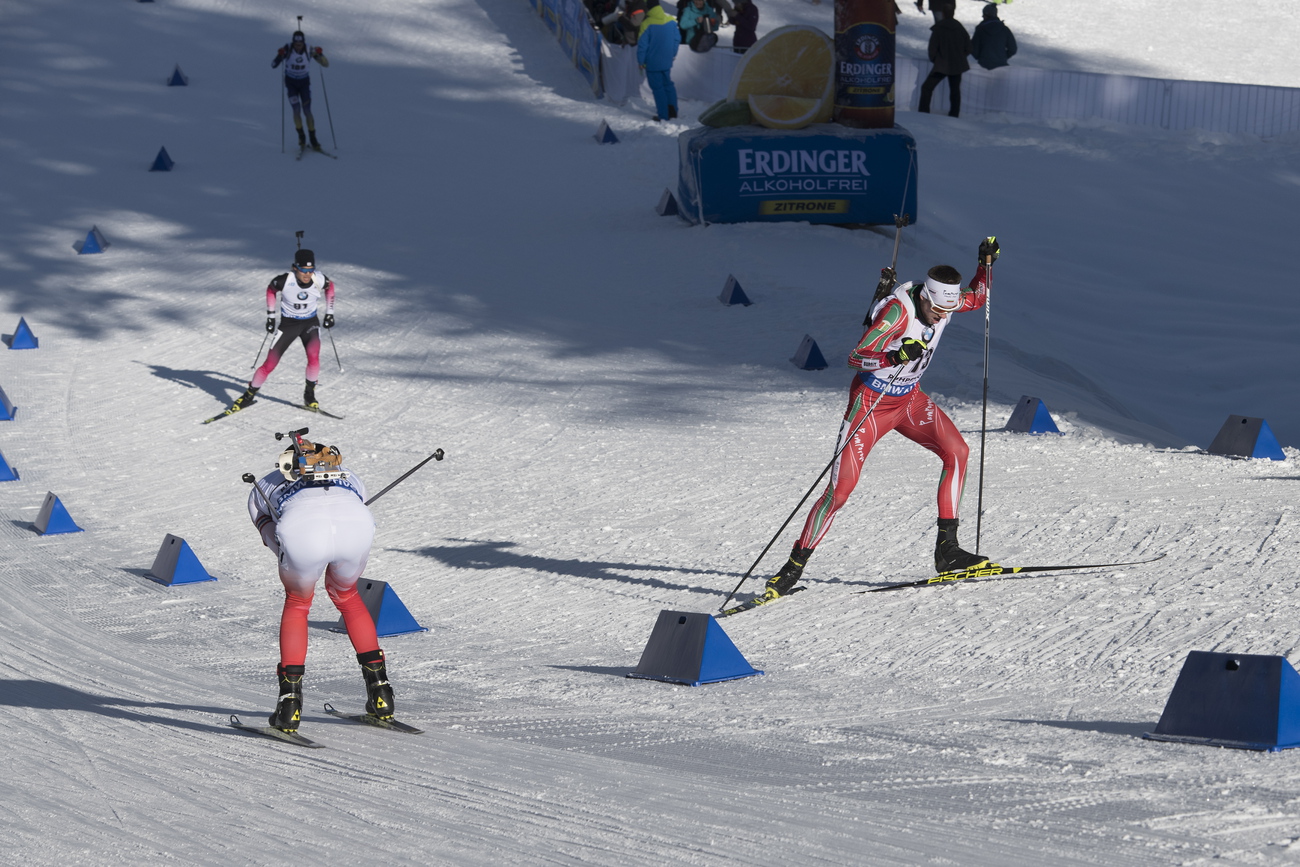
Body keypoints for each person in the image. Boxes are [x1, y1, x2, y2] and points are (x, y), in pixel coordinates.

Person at [758, 238, 1001, 603]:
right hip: (871, 404)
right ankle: (792, 568)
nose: (941, 316)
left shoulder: (944, 303)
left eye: (946, 311)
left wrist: (985, 265)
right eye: (936, 310)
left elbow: (977, 298)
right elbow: (856, 357)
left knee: (958, 451)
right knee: (839, 493)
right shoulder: (897, 314)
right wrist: (894, 355)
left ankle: (947, 551)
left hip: (910, 400)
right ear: (923, 297)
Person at [248, 431, 398, 732]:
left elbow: (268, 532)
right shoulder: (349, 475)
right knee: (347, 596)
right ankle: (381, 693)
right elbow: (356, 503)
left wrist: (290, 557)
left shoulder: (263, 483)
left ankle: (289, 705)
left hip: (301, 530)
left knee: (298, 602)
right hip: (356, 526)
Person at [229, 248, 335, 413]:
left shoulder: (319, 279)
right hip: (289, 325)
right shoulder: (284, 280)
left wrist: (330, 313)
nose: (307, 274)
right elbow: (271, 290)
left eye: (310, 270)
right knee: (269, 364)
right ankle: (248, 395)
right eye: (303, 270)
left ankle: (309, 395)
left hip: (310, 324)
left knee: (314, 358)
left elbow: (330, 287)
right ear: (295, 268)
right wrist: (271, 316)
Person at [272, 30, 329, 151]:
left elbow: (325, 64)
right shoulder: (287, 48)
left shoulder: (309, 49)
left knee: (307, 111)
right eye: (296, 42)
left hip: (304, 83)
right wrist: (280, 55)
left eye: (300, 42)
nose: (298, 44)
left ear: (303, 41)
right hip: (291, 83)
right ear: (293, 41)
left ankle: (313, 138)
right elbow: (273, 64)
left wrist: (320, 54)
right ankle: (301, 137)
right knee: (296, 110)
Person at [918, 2, 970, 117]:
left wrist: (936, 60)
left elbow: (932, 49)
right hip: (957, 65)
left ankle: (923, 113)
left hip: (941, 65)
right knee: (955, 91)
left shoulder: (939, 28)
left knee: (926, 88)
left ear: (943, 13)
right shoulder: (960, 27)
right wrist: (960, 57)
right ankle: (954, 115)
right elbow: (968, 47)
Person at [636, 0, 680, 121]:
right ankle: (673, 111)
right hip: (666, 61)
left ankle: (663, 115)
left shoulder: (646, 23)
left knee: (658, 89)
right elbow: (677, 39)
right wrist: (672, 54)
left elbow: (642, 46)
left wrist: (641, 61)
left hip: (652, 63)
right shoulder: (671, 20)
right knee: (668, 85)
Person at [970, 3, 1017, 70]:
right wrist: (1002, 57)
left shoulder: (980, 30)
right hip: (1002, 66)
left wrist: (981, 57)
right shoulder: (1004, 29)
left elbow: (974, 49)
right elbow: (1013, 49)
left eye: (984, 14)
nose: (982, 16)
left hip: (983, 66)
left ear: (986, 15)